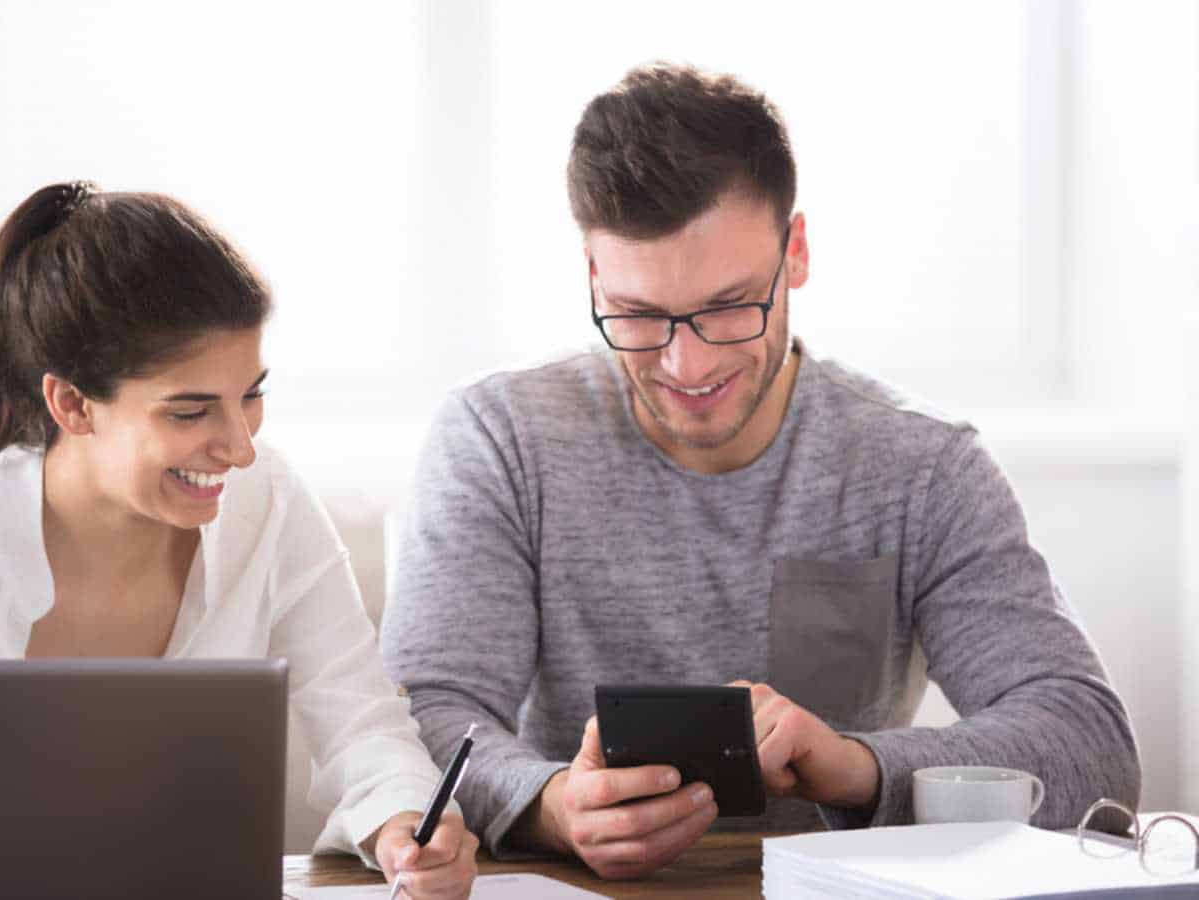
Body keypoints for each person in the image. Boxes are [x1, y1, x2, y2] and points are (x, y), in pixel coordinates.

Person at [380, 63, 1141, 880]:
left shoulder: (921, 466)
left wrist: (857, 766)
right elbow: (418, 719)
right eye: (638, 316)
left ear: (797, 253)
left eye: (728, 306)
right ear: (594, 277)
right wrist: (552, 806)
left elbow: (1089, 743)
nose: (687, 362)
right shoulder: (501, 438)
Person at [0, 182, 477, 898]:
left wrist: (405, 823)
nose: (239, 448)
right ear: (73, 404)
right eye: (190, 412)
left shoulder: (267, 499)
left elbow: (362, 723)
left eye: (251, 394)